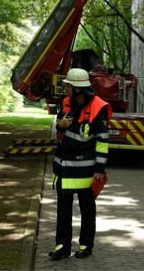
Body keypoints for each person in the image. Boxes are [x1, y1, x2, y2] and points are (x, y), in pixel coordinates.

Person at [48, 68, 111, 260]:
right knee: (63, 210)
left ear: (78, 89)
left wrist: (100, 168)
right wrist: (60, 125)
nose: (65, 89)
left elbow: (102, 140)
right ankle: (62, 246)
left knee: (87, 209)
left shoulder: (98, 107)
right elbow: (56, 128)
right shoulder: (66, 103)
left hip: (86, 170)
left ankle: (86, 245)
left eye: (68, 86)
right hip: (63, 167)